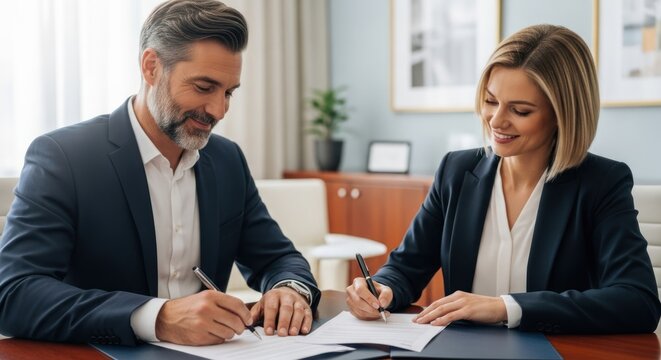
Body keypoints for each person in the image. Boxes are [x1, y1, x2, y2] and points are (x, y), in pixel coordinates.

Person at [0, 0, 319, 346]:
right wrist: (157, 317)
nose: (218, 110)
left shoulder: (228, 161)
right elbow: (14, 293)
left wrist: (289, 290)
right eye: (203, 87)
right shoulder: (64, 157)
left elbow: (278, 257)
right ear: (151, 67)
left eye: (228, 93)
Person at [347, 24, 661, 333]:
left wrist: (505, 307)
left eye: (520, 110)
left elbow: (637, 301)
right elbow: (406, 267)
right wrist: (382, 288)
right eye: (490, 100)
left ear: (562, 114)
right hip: (462, 353)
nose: (496, 121)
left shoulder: (601, 182)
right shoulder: (456, 171)